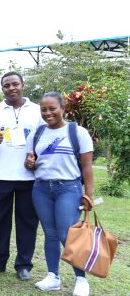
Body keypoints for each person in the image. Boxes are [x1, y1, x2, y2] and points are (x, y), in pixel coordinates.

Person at [25, 92, 95, 296]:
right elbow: (31, 163)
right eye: (44, 109)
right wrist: (29, 163)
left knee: (67, 233)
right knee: (51, 233)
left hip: (68, 188)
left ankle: (81, 279)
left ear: (63, 108)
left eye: (52, 108)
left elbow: (87, 167)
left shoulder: (77, 132)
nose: (48, 113)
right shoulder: (36, 134)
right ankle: (53, 276)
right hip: (41, 189)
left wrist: (88, 194)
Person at [0, 72, 42, 280]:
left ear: (23, 85)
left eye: (15, 84)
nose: (11, 88)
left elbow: (45, 140)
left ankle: (23, 265)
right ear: (2, 89)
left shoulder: (37, 111)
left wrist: (36, 158)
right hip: (0, 175)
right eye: (6, 85)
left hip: (29, 177)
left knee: (27, 222)